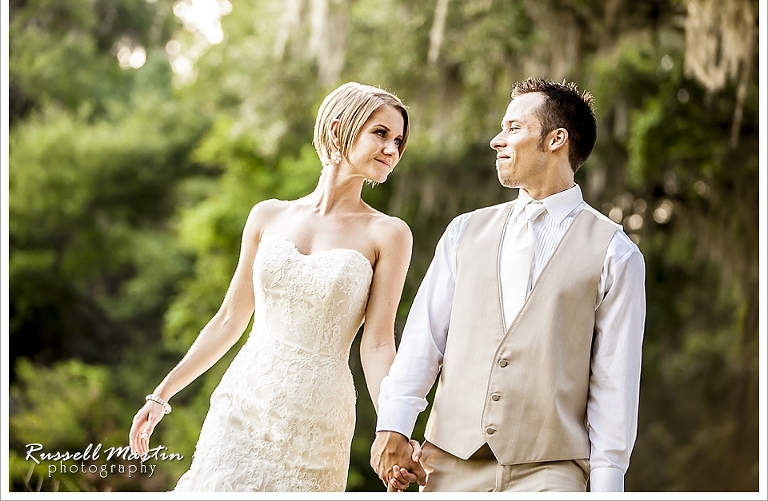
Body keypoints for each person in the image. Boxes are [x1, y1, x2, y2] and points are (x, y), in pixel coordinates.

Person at [129, 81, 422, 492]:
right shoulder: (267, 216)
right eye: (380, 133)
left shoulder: (389, 234)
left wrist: (394, 428)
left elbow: (376, 344)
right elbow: (230, 318)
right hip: (242, 401)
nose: (391, 149)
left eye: (398, 141)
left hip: (318, 417)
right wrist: (161, 395)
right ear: (339, 129)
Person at [370, 76, 646, 492]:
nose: (498, 141)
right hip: (448, 464)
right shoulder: (464, 231)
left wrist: (607, 488)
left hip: (551, 472)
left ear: (556, 140)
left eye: (514, 128)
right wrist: (393, 425)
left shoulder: (615, 253)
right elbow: (424, 340)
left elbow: (614, 385)